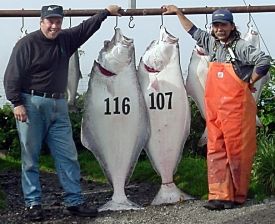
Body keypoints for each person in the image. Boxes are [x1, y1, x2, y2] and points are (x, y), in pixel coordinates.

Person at [3, 4, 121, 221]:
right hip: (31, 105)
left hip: (59, 105)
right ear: (41, 22)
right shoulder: (26, 44)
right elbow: (11, 75)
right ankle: (33, 204)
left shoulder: (66, 39)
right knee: (30, 157)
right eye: (50, 21)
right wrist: (16, 103)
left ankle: (74, 202)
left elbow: (86, 27)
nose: (54, 26)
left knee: (68, 156)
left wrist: (105, 12)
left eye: (58, 21)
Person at [162, 5, 271, 210]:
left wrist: (250, 82)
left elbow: (264, 60)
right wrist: (177, 12)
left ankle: (237, 195)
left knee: (236, 152)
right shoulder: (210, 43)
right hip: (215, 110)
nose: (219, 29)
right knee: (216, 151)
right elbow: (192, 30)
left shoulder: (240, 47)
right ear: (213, 28)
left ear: (231, 26)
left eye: (223, 25)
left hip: (237, 110)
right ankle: (218, 195)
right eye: (216, 25)